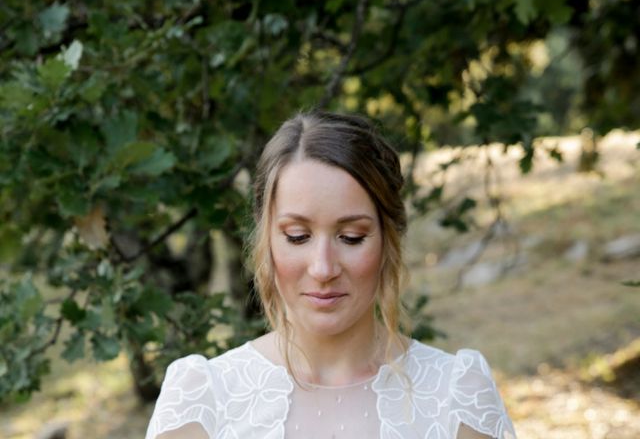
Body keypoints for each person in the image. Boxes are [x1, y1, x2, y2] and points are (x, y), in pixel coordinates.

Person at [145, 111, 517, 439]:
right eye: (298, 237)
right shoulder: (202, 401)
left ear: (389, 240)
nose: (323, 268)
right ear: (267, 240)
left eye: (351, 238)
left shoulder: (457, 396)